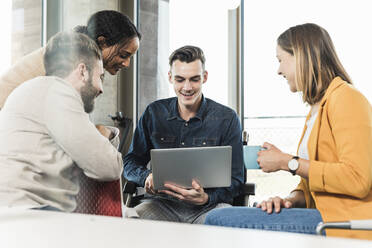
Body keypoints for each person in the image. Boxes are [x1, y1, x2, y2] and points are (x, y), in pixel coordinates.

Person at [205, 23, 372, 240]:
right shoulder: (317, 108)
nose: (279, 70)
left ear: (301, 57)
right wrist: (291, 200)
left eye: (281, 59)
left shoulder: (347, 99)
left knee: (216, 220)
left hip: (343, 222)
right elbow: (313, 183)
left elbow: (357, 180)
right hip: (322, 215)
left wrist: (287, 162)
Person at [0, 31, 123, 212]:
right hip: (33, 212)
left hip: (17, 210)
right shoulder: (58, 92)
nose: (101, 89)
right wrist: (108, 135)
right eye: (100, 76)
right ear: (82, 71)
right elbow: (108, 167)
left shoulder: (31, 90)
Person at [123, 45, 244, 224]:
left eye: (194, 79)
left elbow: (237, 180)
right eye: (180, 79)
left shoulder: (227, 118)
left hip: (209, 206)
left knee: (226, 225)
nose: (187, 87)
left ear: (205, 77)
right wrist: (146, 177)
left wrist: (206, 198)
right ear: (170, 78)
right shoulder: (154, 113)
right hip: (161, 204)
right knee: (131, 221)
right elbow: (130, 162)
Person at [0, 10, 141, 109]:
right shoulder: (76, 62)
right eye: (123, 55)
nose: (127, 64)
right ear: (102, 42)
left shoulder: (76, 50)